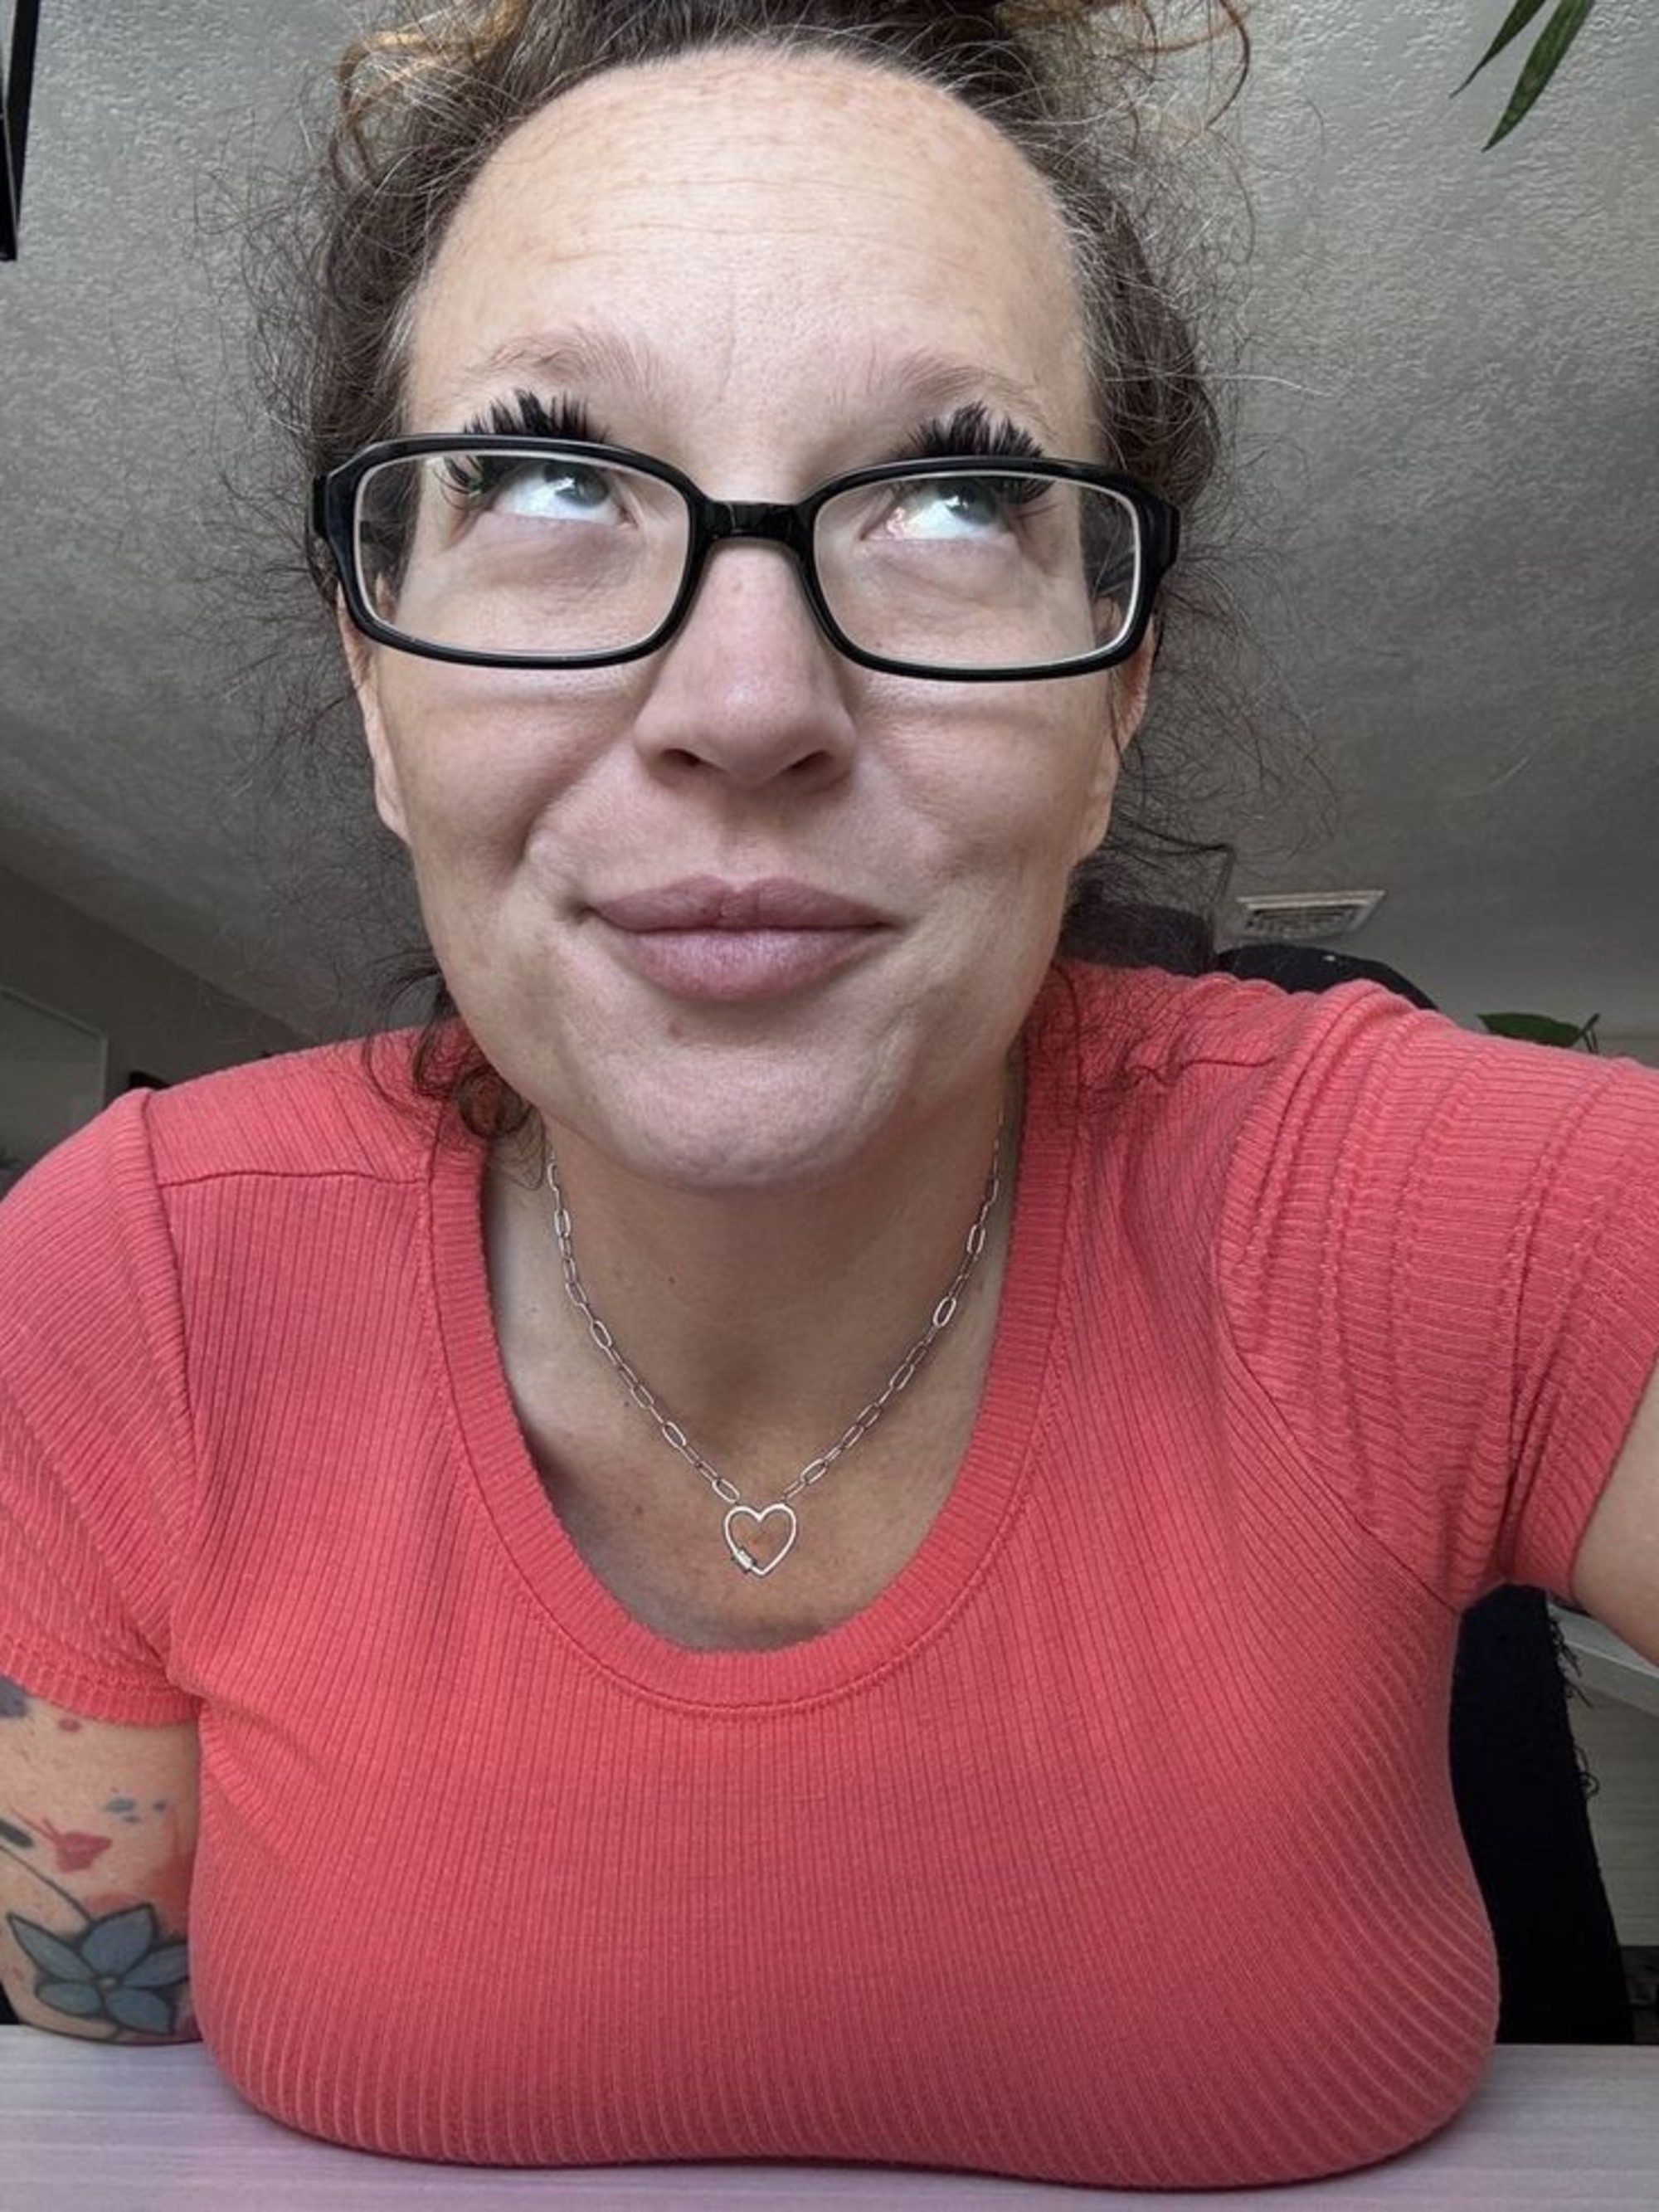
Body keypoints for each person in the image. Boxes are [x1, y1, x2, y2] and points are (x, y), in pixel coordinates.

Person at [1, 0, 1656, 2190]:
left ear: (1112, 704)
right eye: (550, 477)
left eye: (956, 496)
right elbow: (89, 2068)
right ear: (376, 679)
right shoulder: (125, 1287)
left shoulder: (1432, 1207)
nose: (749, 696)